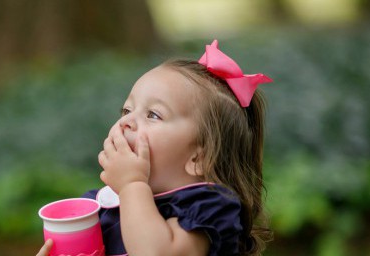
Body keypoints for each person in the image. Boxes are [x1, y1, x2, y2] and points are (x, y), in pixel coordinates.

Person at [37, 40, 273, 256]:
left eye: (153, 114)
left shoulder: (207, 208)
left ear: (199, 157)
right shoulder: (101, 208)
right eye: (127, 110)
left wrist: (132, 185)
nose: (126, 121)